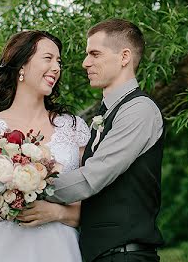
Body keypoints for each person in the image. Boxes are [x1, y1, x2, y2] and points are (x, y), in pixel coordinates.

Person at [18, 19, 165, 262]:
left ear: (124, 57)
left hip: (126, 256)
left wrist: (27, 187)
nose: (86, 63)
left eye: (94, 54)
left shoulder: (140, 110)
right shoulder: (104, 115)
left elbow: (91, 178)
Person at [0, 30, 91, 261]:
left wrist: (55, 212)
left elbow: (94, 209)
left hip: (57, 250)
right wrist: (7, 208)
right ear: (22, 65)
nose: (56, 67)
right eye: (48, 58)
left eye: (59, 61)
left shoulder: (74, 129)